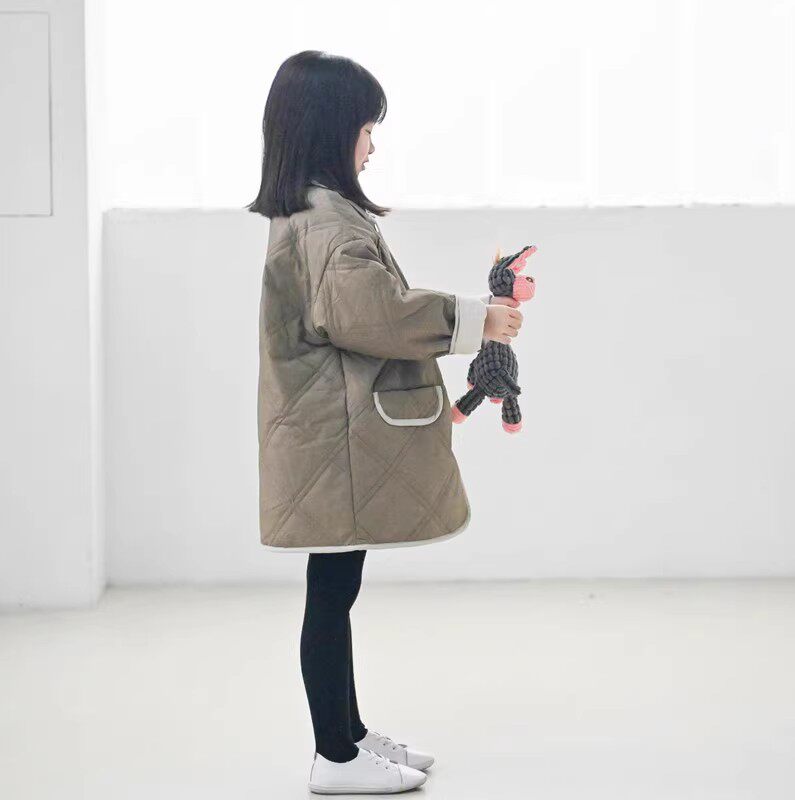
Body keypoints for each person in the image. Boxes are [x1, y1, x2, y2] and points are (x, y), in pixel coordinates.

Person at [248, 50, 523, 795]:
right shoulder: (326, 224)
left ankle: (350, 734)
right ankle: (334, 758)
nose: (374, 144)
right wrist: (475, 318)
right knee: (331, 595)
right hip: (333, 439)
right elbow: (368, 313)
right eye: (369, 128)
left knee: (336, 588)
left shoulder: (311, 214)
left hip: (329, 434)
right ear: (333, 128)